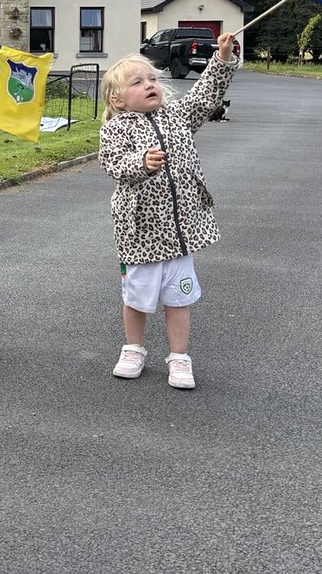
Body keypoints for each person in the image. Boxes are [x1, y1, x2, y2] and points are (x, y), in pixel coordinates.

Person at [98, 31, 239, 389]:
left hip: (181, 233)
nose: (150, 85)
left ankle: (179, 357)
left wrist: (221, 59)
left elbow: (206, 95)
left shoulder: (177, 116)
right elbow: (114, 165)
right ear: (118, 98)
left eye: (153, 79)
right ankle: (133, 348)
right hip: (140, 232)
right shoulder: (115, 130)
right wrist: (142, 163)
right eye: (138, 82)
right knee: (137, 298)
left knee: (179, 298)